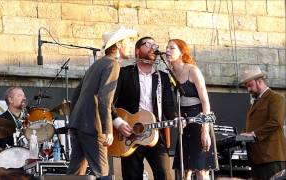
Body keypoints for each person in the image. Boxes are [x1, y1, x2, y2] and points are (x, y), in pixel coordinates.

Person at [67, 26, 137, 178]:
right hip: (92, 125)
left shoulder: (97, 64)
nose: (131, 46)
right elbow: (104, 98)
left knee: (75, 173)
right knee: (103, 173)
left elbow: (77, 93)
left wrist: (74, 120)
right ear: (118, 45)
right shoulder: (113, 64)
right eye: (128, 43)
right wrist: (108, 130)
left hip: (79, 123)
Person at [112, 36, 176, 180]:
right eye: (148, 44)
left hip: (155, 133)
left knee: (164, 174)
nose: (153, 47)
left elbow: (168, 107)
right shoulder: (124, 73)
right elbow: (109, 101)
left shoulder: (162, 77)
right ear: (137, 51)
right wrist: (117, 122)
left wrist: (178, 118)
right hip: (129, 134)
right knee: (132, 176)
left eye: (155, 44)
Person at [166, 39, 217, 180]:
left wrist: (205, 130)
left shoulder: (193, 70)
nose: (167, 51)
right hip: (183, 121)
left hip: (198, 119)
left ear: (182, 52)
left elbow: (205, 101)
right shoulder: (170, 74)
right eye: (167, 48)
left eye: (172, 48)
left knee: (201, 169)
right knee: (184, 170)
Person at [239, 66, 286, 180]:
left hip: (271, 157)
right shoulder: (254, 103)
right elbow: (253, 125)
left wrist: (253, 134)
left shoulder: (276, 98)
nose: (248, 90)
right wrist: (242, 135)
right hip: (257, 158)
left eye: (250, 85)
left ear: (259, 82)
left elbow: (276, 122)